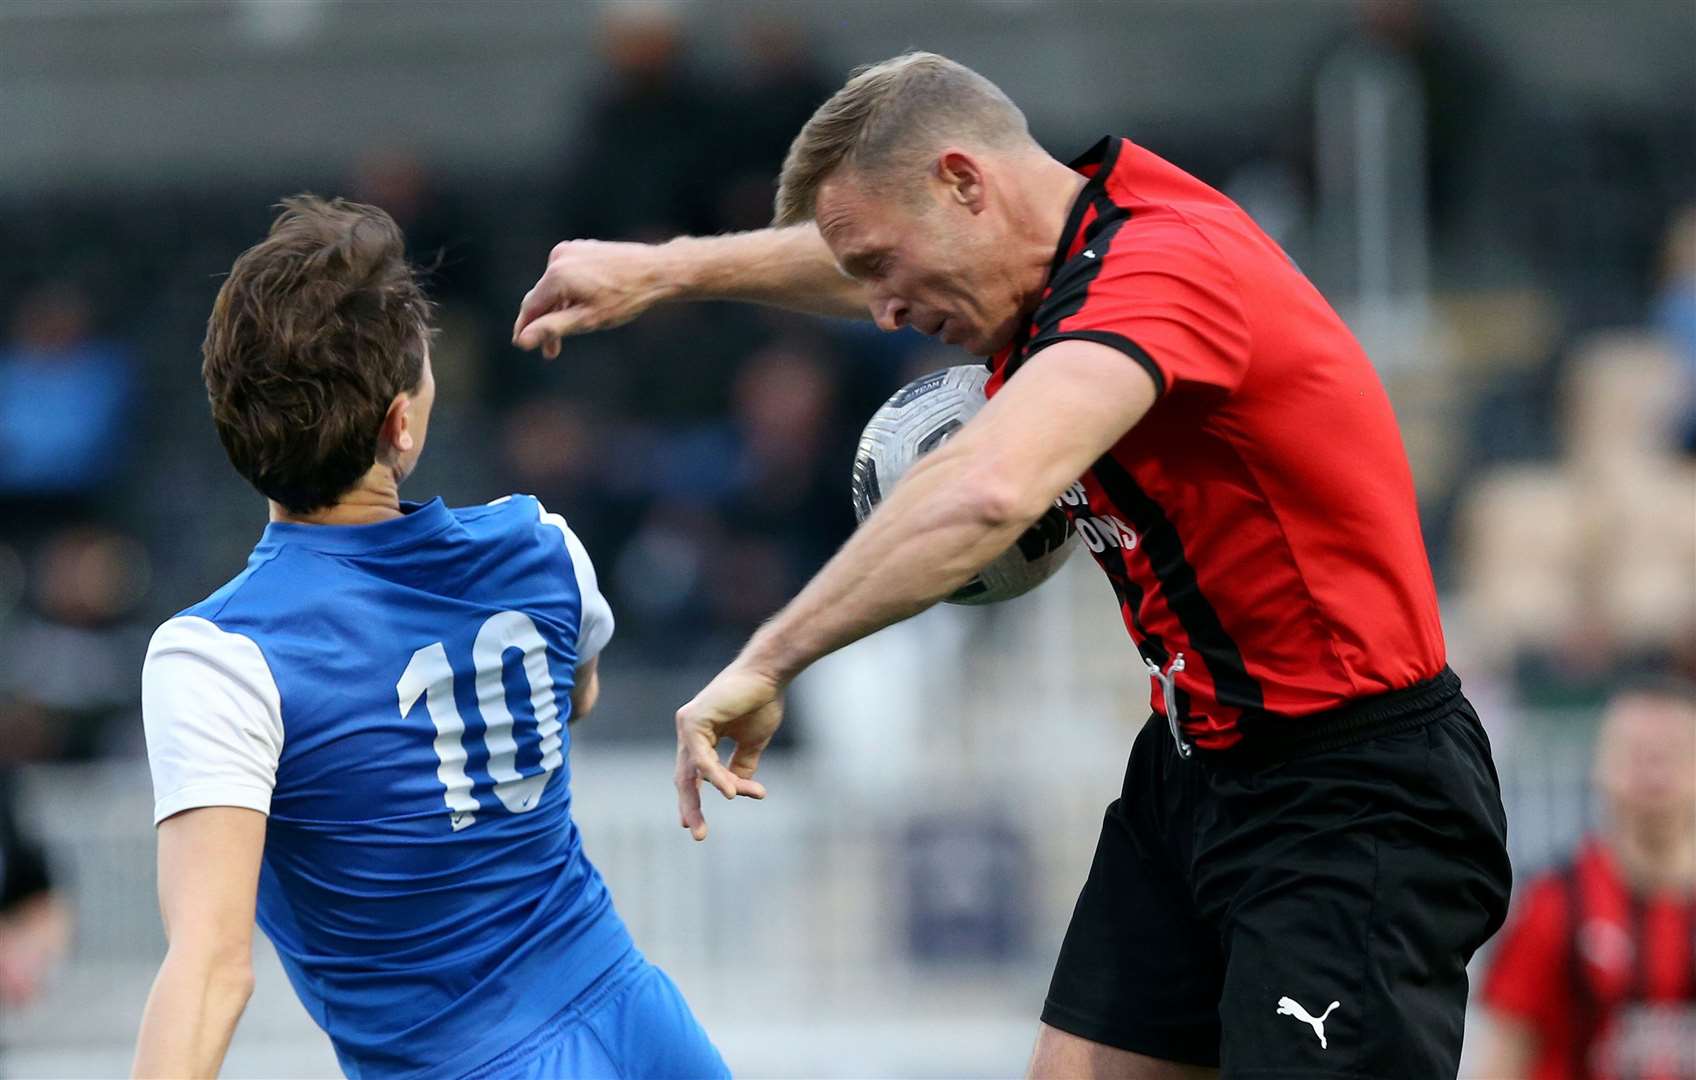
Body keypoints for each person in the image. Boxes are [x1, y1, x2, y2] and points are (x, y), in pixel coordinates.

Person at [513, 52, 1511, 1079]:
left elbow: (989, 488)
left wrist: (770, 656)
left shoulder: (1163, 268)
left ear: (963, 180)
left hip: (1349, 797)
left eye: (884, 269)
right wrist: (665, 269)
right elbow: (849, 255)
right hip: (1195, 768)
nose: (883, 314)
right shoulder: (1043, 255)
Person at [132, 197, 727, 1079]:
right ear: (400, 424)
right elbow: (575, 696)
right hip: (648, 1029)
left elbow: (212, 971)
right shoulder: (543, 547)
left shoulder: (217, 657)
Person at [1478, 680, 1696, 1080]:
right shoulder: (1553, 906)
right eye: (1637, 755)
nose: (1654, 773)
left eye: (1672, 755)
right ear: (1600, 767)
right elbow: (1503, 1059)